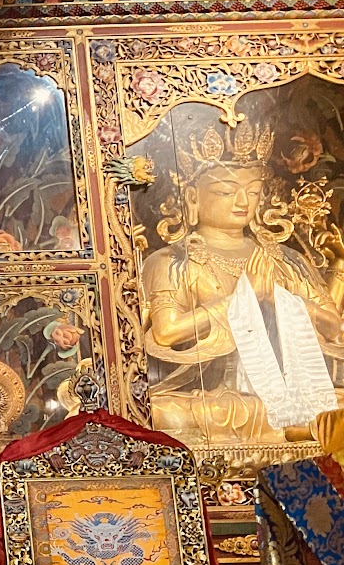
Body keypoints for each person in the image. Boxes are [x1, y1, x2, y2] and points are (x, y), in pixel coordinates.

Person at [141, 121, 344, 447]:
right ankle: (293, 429)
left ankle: (295, 425)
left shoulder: (287, 258)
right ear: (192, 197)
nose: (241, 202)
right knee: (160, 413)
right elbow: (165, 332)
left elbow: (334, 327)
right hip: (214, 395)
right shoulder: (171, 261)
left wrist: (282, 300)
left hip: (294, 390)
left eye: (252, 191)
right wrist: (241, 298)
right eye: (225, 191)